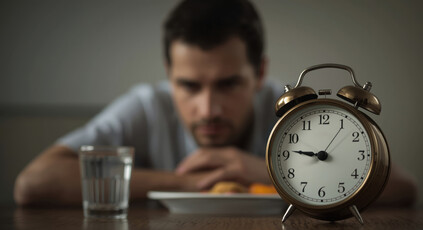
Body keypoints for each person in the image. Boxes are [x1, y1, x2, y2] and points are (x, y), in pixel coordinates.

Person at [14, 0, 417, 207]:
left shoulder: (294, 112)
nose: (208, 109)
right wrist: (187, 183)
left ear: (260, 74)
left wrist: (269, 172)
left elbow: (401, 187)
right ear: (168, 73)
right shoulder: (145, 106)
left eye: (228, 84)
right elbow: (33, 184)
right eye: (188, 86)